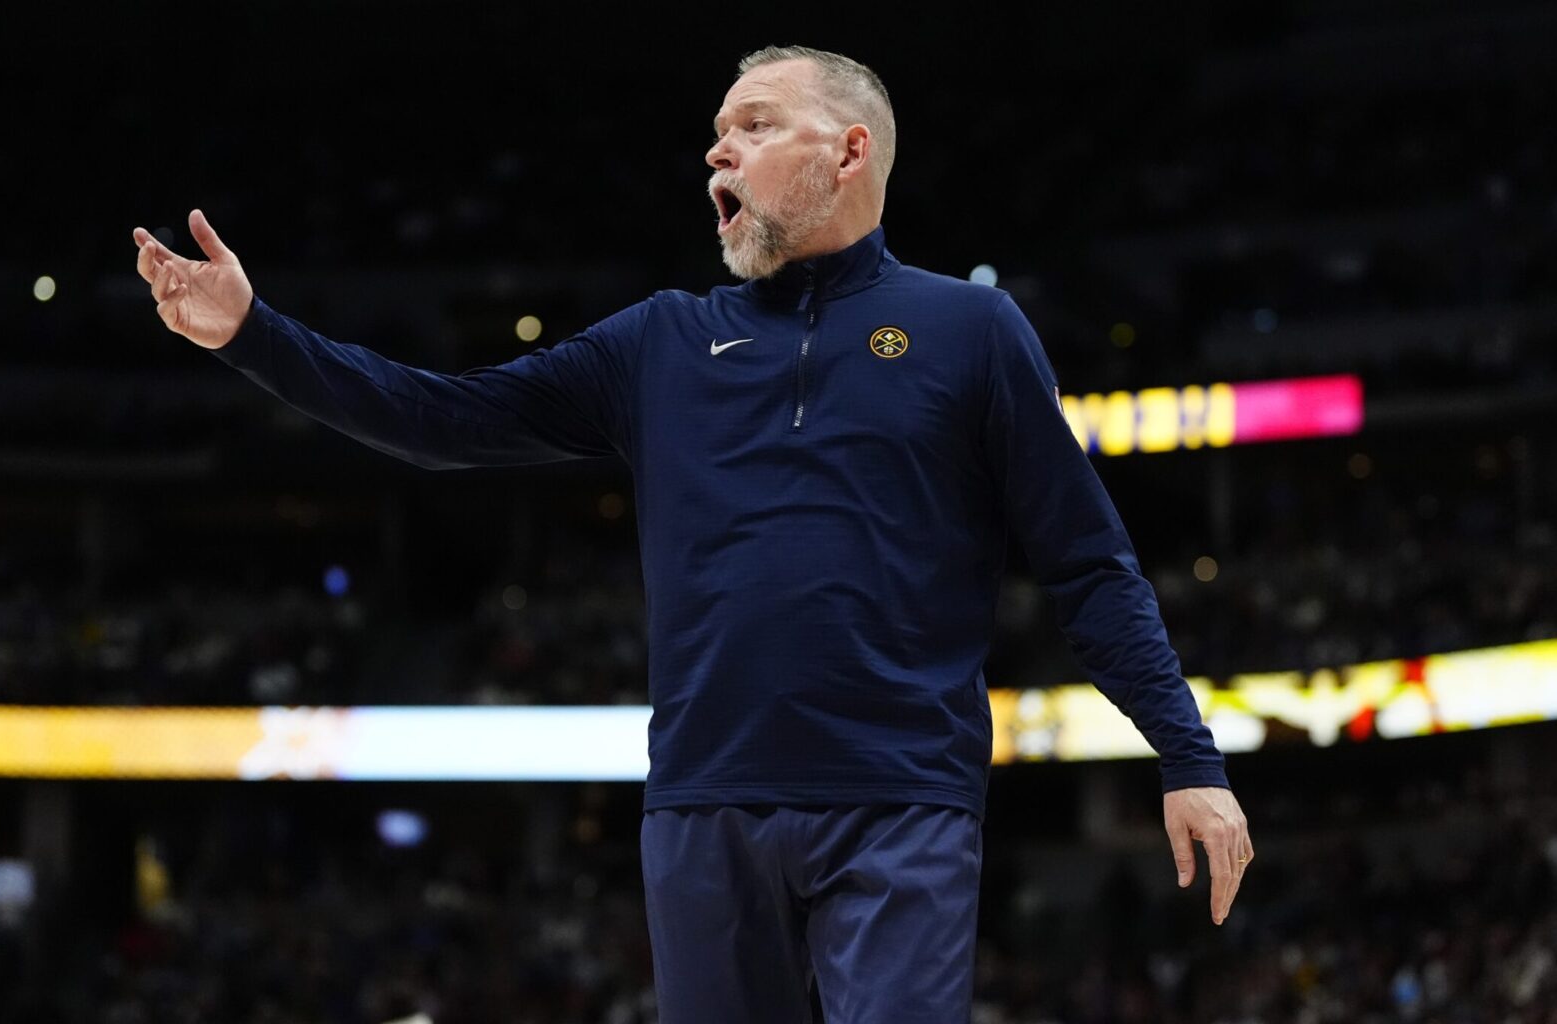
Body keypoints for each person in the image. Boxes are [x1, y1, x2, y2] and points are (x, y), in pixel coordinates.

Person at [132, 44, 1252, 1024]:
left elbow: (1088, 563)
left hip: (902, 799)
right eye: (715, 134)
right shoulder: (657, 342)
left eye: (754, 126)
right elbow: (443, 421)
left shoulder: (973, 329)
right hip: (703, 805)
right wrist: (254, 336)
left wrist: (1188, 756)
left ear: (850, 151)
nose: (718, 153)